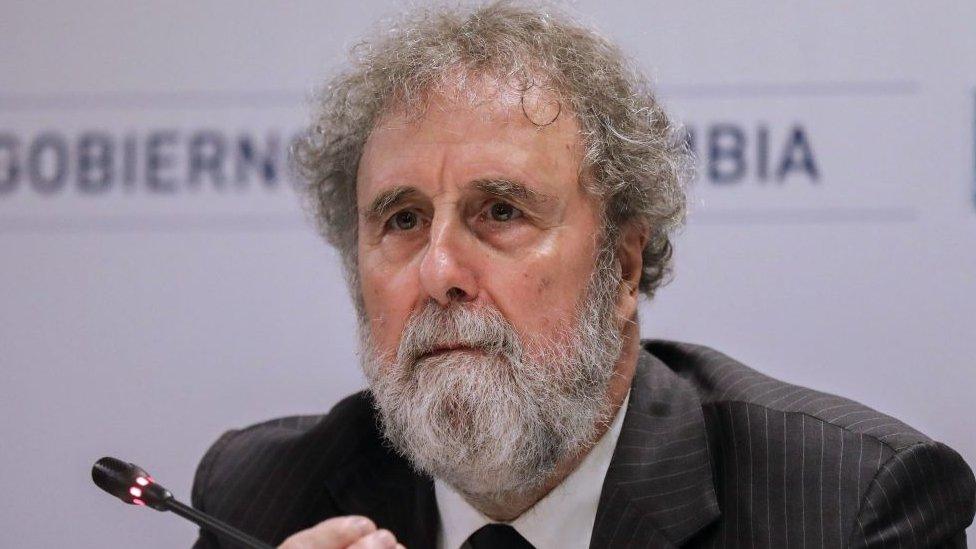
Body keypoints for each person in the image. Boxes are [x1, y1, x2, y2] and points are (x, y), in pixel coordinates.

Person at [190, 2, 976, 548]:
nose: (439, 271)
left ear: (623, 265)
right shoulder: (263, 497)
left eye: (499, 211)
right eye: (400, 220)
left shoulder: (846, 506)